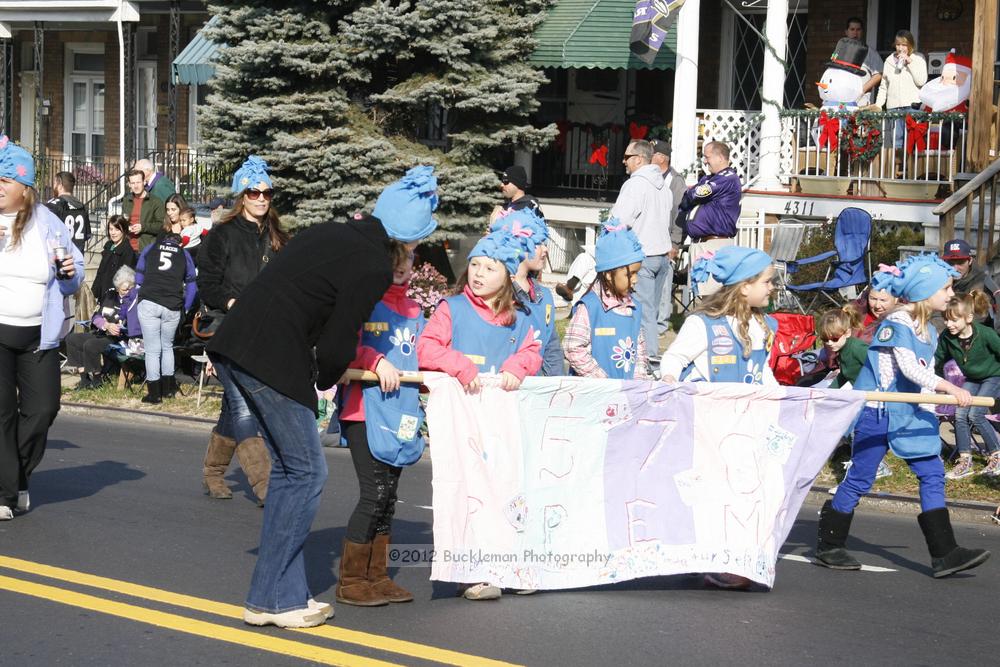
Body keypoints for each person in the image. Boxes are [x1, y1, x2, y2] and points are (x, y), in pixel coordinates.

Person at [206, 167, 435, 630]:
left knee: (294, 474)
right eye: (416, 244)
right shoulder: (372, 265)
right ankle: (269, 600)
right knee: (307, 472)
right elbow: (338, 341)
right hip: (270, 355)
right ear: (405, 241)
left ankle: (282, 595)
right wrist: (330, 376)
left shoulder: (333, 232)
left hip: (238, 343)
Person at [815, 254, 991, 579]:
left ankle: (945, 553)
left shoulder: (929, 329)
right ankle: (829, 545)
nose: (950, 294)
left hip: (910, 412)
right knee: (860, 479)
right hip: (878, 412)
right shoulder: (896, 323)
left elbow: (924, 372)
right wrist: (949, 390)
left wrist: (932, 406)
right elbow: (908, 368)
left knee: (933, 473)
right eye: (946, 288)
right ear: (926, 292)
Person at [417, 229, 543, 601]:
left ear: (507, 275)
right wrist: (456, 364)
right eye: (474, 265)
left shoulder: (517, 319)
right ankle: (468, 571)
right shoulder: (451, 309)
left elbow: (533, 350)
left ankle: (508, 564)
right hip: (462, 420)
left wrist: (519, 365)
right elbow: (426, 349)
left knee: (505, 489)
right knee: (465, 491)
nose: (479, 273)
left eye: (489, 267)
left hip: (500, 424)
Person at [336, 166, 439, 607]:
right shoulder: (366, 296)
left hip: (400, 413)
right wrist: (375, 362)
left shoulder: (416, 310)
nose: (402, 267)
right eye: (396, 258)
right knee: (373, 492)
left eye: (409, 259)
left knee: (390, 496)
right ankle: (351, 580)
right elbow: (346, 343)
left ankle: (377, 575)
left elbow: (424, 353)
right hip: (364, 408)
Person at [660, 246, 778, 590]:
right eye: (767, 281)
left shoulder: (762, 324)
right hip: (709, 426)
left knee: (744, 491)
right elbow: (674, 358)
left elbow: (762, 372)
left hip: (746, 425)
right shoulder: (703, 324)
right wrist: (669, 381)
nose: (772, 288)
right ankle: (706, 556)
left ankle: (734, 558)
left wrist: (783, 398)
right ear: (744, 286)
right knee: (711, 493)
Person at [0, 135, 85, 520]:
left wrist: (69, 273)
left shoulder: (47, 223)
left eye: (5, 182)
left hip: (39, 334)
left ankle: (14, 477)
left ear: (25, 187)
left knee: (43, 409)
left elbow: (74, 272)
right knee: (2, 413)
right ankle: (5, 492)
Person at [197, 156, 288, 504]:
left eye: (267, 192)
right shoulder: (222, 234)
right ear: (242, 195)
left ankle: (213, 472)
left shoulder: (278, 235)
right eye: (254, 192)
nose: (262, 198)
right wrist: (232, 302)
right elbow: (207, 283)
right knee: (243, 404)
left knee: (233, 407)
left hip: (263, 331)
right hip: (227, 330)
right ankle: (264, 484)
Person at [610, 139, 673, 362]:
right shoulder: (663, 186)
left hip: (641, 258)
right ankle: (646, 355)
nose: (623, 161)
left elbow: (619, 221)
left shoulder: (635, 184)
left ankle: (649, 359)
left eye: (627, 157)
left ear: (639, 159)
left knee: (642, 312)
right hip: (662, 258)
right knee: (651, 312)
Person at [563, 221, 651, 380]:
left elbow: (639, 350)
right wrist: (603, 382)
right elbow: (572, 348)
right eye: (630, 274)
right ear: (609, 275)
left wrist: (637, 382)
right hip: (595, 395)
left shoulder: (634, 308)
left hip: (626, 395)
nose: (636, 280)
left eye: (637, 273)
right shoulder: (590, 307)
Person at [491, 207, 564, 376]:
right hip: (505, 387)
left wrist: (556, 386)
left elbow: (551, 348)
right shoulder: (498, 294)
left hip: (537, 392)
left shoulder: (544, 296)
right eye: (538, 243)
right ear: (518, 246)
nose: (545, 250)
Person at [934, 291, 1000, 479]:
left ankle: (996, 454)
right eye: (946, 320)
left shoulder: (986, 334)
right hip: (972, 378)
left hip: (994, 376)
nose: (949, 324)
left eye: (954, 320)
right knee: (961, 413)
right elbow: (937, 360)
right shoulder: (947, 337)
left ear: (969, 318)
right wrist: (932, 380)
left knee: (976, 413)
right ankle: (965, 460)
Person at [135, 226, 197, 404]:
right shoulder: (184, 254)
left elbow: (138, 278)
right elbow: (192, 286)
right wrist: (184, 307)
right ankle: (169, 390)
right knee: (167, 346)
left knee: (153, 350)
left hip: (150, 301)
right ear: (178, 243)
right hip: (172, 305)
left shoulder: (151, 248)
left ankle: (154, 394)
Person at [679, 141, 742, 297]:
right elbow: (685, 201)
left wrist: (694, 195)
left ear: (720, 157)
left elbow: (695, 194)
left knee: (712, 298)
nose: (705, 161)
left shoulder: (728, 178)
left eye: (707, 157)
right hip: (700, 245)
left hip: (714, 245)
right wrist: (693, 195)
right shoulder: (709, 178)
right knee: (700, 294)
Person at [66, 265, 141, 390]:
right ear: (117, 289)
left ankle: (97, 379)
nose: (127, 292)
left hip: (119, 338)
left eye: (130, 288)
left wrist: (117, 328)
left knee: (91, 344)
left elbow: (132, 324)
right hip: (103, 331)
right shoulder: (110, 294)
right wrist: (106, 325)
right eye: (124, 290)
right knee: (72, 339)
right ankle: (84, 380)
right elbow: (95, 316)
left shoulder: (134, 299)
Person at [651, 140, 687, 336]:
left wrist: (675, 242)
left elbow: (679, 214)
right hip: (650, 240)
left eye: (653, 153)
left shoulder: (674, 180)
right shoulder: (650, 176)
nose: (650, 156)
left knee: (664, 286)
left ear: (662, 158)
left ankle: (660, 325)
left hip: (666, 241)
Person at [874, 30, 927, 148]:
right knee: (896, 142)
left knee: (913, 143)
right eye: (898, 44)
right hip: (894, 108)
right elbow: (884, 86)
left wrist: (910, 62)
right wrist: (878, 105)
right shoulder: (889, 60)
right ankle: (897, 166)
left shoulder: (918, 58)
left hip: (913, 107)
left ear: (910, 45)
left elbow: (921, 81)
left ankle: (911, 166)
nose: (900, 48)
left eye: (904, 45)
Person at [936, 239, 1000, 331]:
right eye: (950, 263)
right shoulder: (939, 278)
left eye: (960, 262)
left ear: (970, 261)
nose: (955, 268)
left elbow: (977, 318)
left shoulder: (982, 283)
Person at [819, 305, 868, 389]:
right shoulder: (842, 349)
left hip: (872, 392)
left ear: (847, 333)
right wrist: (829, 391)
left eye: (835, 339)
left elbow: (878, 369)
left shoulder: (858, 349)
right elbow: (844, 374)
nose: (829, 343)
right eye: (825, 339)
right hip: (859, 391)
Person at [91, 215, 137, 300]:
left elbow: (125, 280)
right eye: (111, 229)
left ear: (123, 230)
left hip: (115, 296)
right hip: (103, 292)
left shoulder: (127, 251)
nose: (113, 233)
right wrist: (93, 292)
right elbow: (101, 271)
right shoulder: (109, 246)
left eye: (117, 229)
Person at [45, 171, 91, 254]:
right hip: (77, 258)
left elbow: (44, 232)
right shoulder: (82, 207)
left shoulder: (54, 205)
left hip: (60, 259)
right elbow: (87, 235)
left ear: (60, 185)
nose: (53, 186)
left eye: (55, 183)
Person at [122, 169, 164, 251]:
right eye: (133, 183)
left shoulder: (155, 201)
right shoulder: (127, 200)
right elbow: (123, 222)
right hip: (127, 248)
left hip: (146, 248)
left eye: (138, 182)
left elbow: (161, 225)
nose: (136, 186)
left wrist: (143, 227)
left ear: (144, 182)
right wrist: (126, 227)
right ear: (129, 185)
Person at [845, 16, 883, 106]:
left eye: (858, 29)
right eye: (852, 29)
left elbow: (879, 73)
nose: (855, 32)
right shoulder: (840, 51)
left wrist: (862, 90)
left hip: (860, 102)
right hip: (841, 101)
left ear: (862, 32)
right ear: (846, 32)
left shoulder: (869, 52)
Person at [554, 242, 595, 306]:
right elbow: (576, 275)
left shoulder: (595, 263)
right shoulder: (586, 258)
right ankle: (568, 287)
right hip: (580, 298)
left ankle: (569, 288)